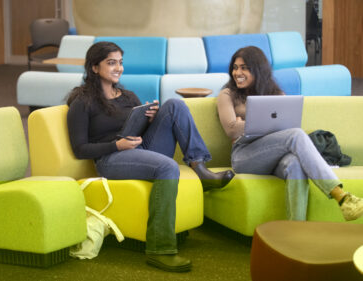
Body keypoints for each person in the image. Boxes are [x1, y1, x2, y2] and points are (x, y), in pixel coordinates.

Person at [66, 41, 234, 272]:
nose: (118, 68)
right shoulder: (82, 102)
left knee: (175, 105)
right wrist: (116, 145)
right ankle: (160, 249)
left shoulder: (127, 96)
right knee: (167, 167)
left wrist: (151, 120)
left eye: (120, 63)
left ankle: (200, 168)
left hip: (138, 149)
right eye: (111, 63)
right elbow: (80, 148)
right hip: (110, 159)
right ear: (94, 68)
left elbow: (141, 134)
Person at [217, 45, 363, 221]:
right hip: (244, 156)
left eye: (244, 68)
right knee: (295, 135)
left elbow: (287, 124)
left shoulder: (276, 94)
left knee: (294, 163)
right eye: (235, 67)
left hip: (275, 156)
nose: (237, 72)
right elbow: (231, 129)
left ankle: (295, 228)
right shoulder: (227, 94)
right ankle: (341, 196)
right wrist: (261, 124)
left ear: (258, 70)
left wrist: (245, 123)